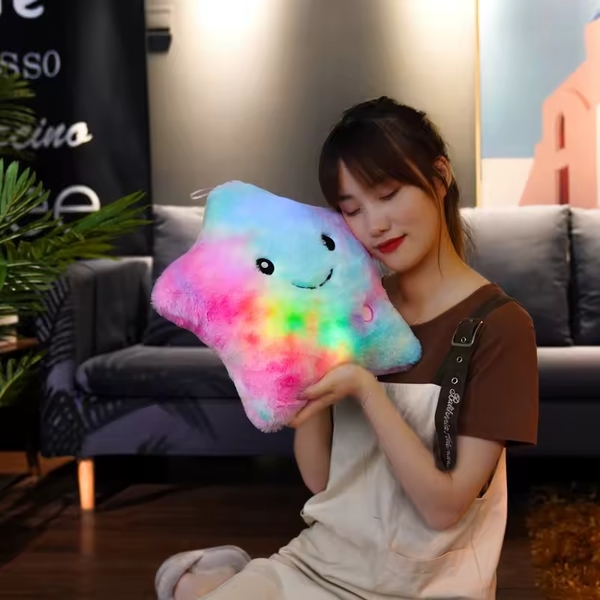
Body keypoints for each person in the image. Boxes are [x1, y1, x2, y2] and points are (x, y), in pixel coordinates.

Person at [155, 96, 539, 600]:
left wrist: (365, 388)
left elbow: (444, 508)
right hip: (319, 564)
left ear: (440, 176)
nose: (374, 225)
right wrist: (307, 383)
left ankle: (207, 580)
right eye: (352, 209)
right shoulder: (352, 307)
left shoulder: (499, 327)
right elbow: (321, 482)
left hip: (430, 586)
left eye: (388, 194)